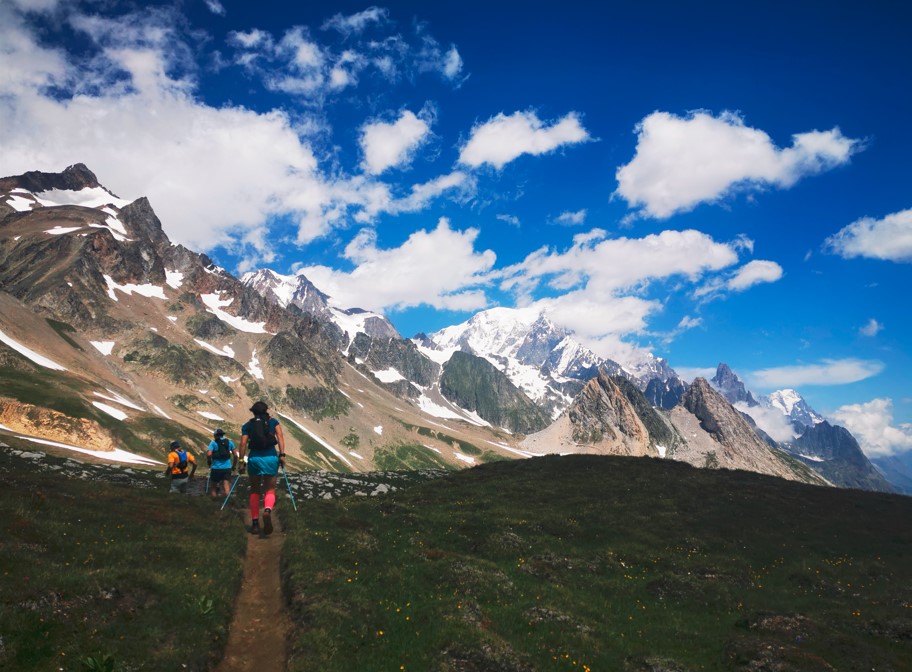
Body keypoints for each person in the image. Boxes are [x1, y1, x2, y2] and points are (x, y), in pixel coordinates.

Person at [238, 400, 285, 535]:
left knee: (255, 491)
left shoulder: (248, 425)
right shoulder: (273, 422)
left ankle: (255, 524)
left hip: (255, 459)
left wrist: (241, 461)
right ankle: (267, 510)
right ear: (266, 410)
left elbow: (243, 444)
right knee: (270, 489)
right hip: (271, 458)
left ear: (253, 412)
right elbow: (280, 437)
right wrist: (282, 455)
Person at [207, 428, 238, 499]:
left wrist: (209, 462)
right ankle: (226, 501)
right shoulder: (229, 442)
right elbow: (235, 455)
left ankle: (214, 501)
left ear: (215, 435)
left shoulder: (213, 443)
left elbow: (209, 454)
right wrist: (234, 465)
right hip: (227, 468)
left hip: (216, 468)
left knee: (213, 487)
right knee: (226, 486)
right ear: (222, 435)